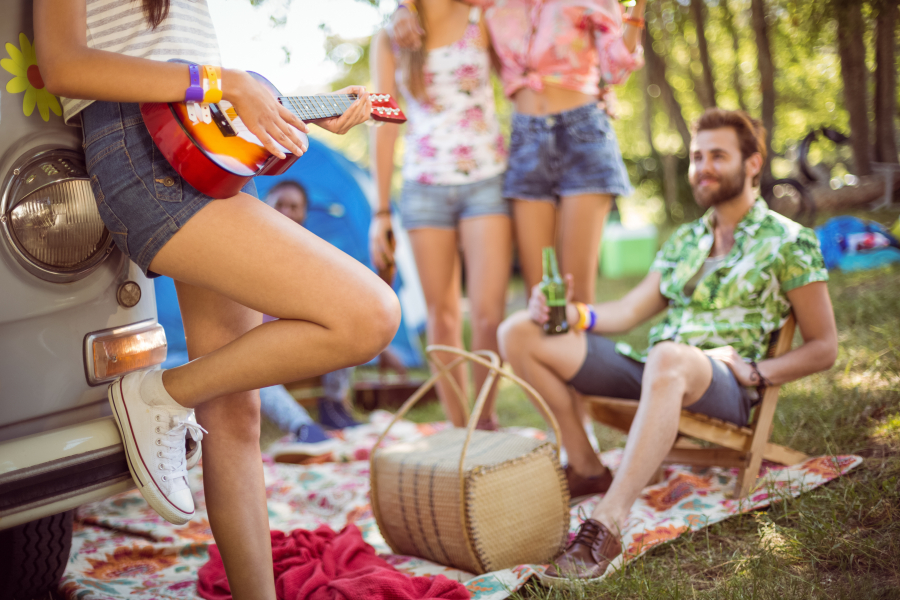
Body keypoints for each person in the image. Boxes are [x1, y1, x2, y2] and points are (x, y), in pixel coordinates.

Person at [34, 2, 400, 598]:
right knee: (370, 315)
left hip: (202, 142)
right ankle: (156, 394)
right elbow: (63, 63)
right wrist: (221, 81)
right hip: (139, 150)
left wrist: (285, 109)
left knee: (235, 415)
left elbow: (184, 66)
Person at [497, 108, 838, 584]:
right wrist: (575, 315)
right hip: (660, 369)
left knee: (669, 356)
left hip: (723, 387)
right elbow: (630, 310)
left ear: (753, 163)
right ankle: (588, 466)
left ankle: (608, 522)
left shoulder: (789, 241)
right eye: (698, 156)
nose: (704, 167)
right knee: (517, 332)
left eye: (718, 155)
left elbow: (825, 347)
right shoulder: (686, 240)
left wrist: (758, 372)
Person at [390, 0, 646, 305]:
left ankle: (585, 353)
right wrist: (403, 6)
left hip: (583, 134)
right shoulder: (491, 4)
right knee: (539, 296)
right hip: (527, 139)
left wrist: (639, 9)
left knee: (577, 295)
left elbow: (616, 70)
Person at [369, 0, 512, 429]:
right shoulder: (392, 36)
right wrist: (380, 211)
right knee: (443, 315)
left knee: (489, 314)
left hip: (487, 180)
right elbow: (385, 121)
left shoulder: (481, 17)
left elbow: (524, 77)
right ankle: (458, 428)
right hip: (424, 188)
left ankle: (484, 423)